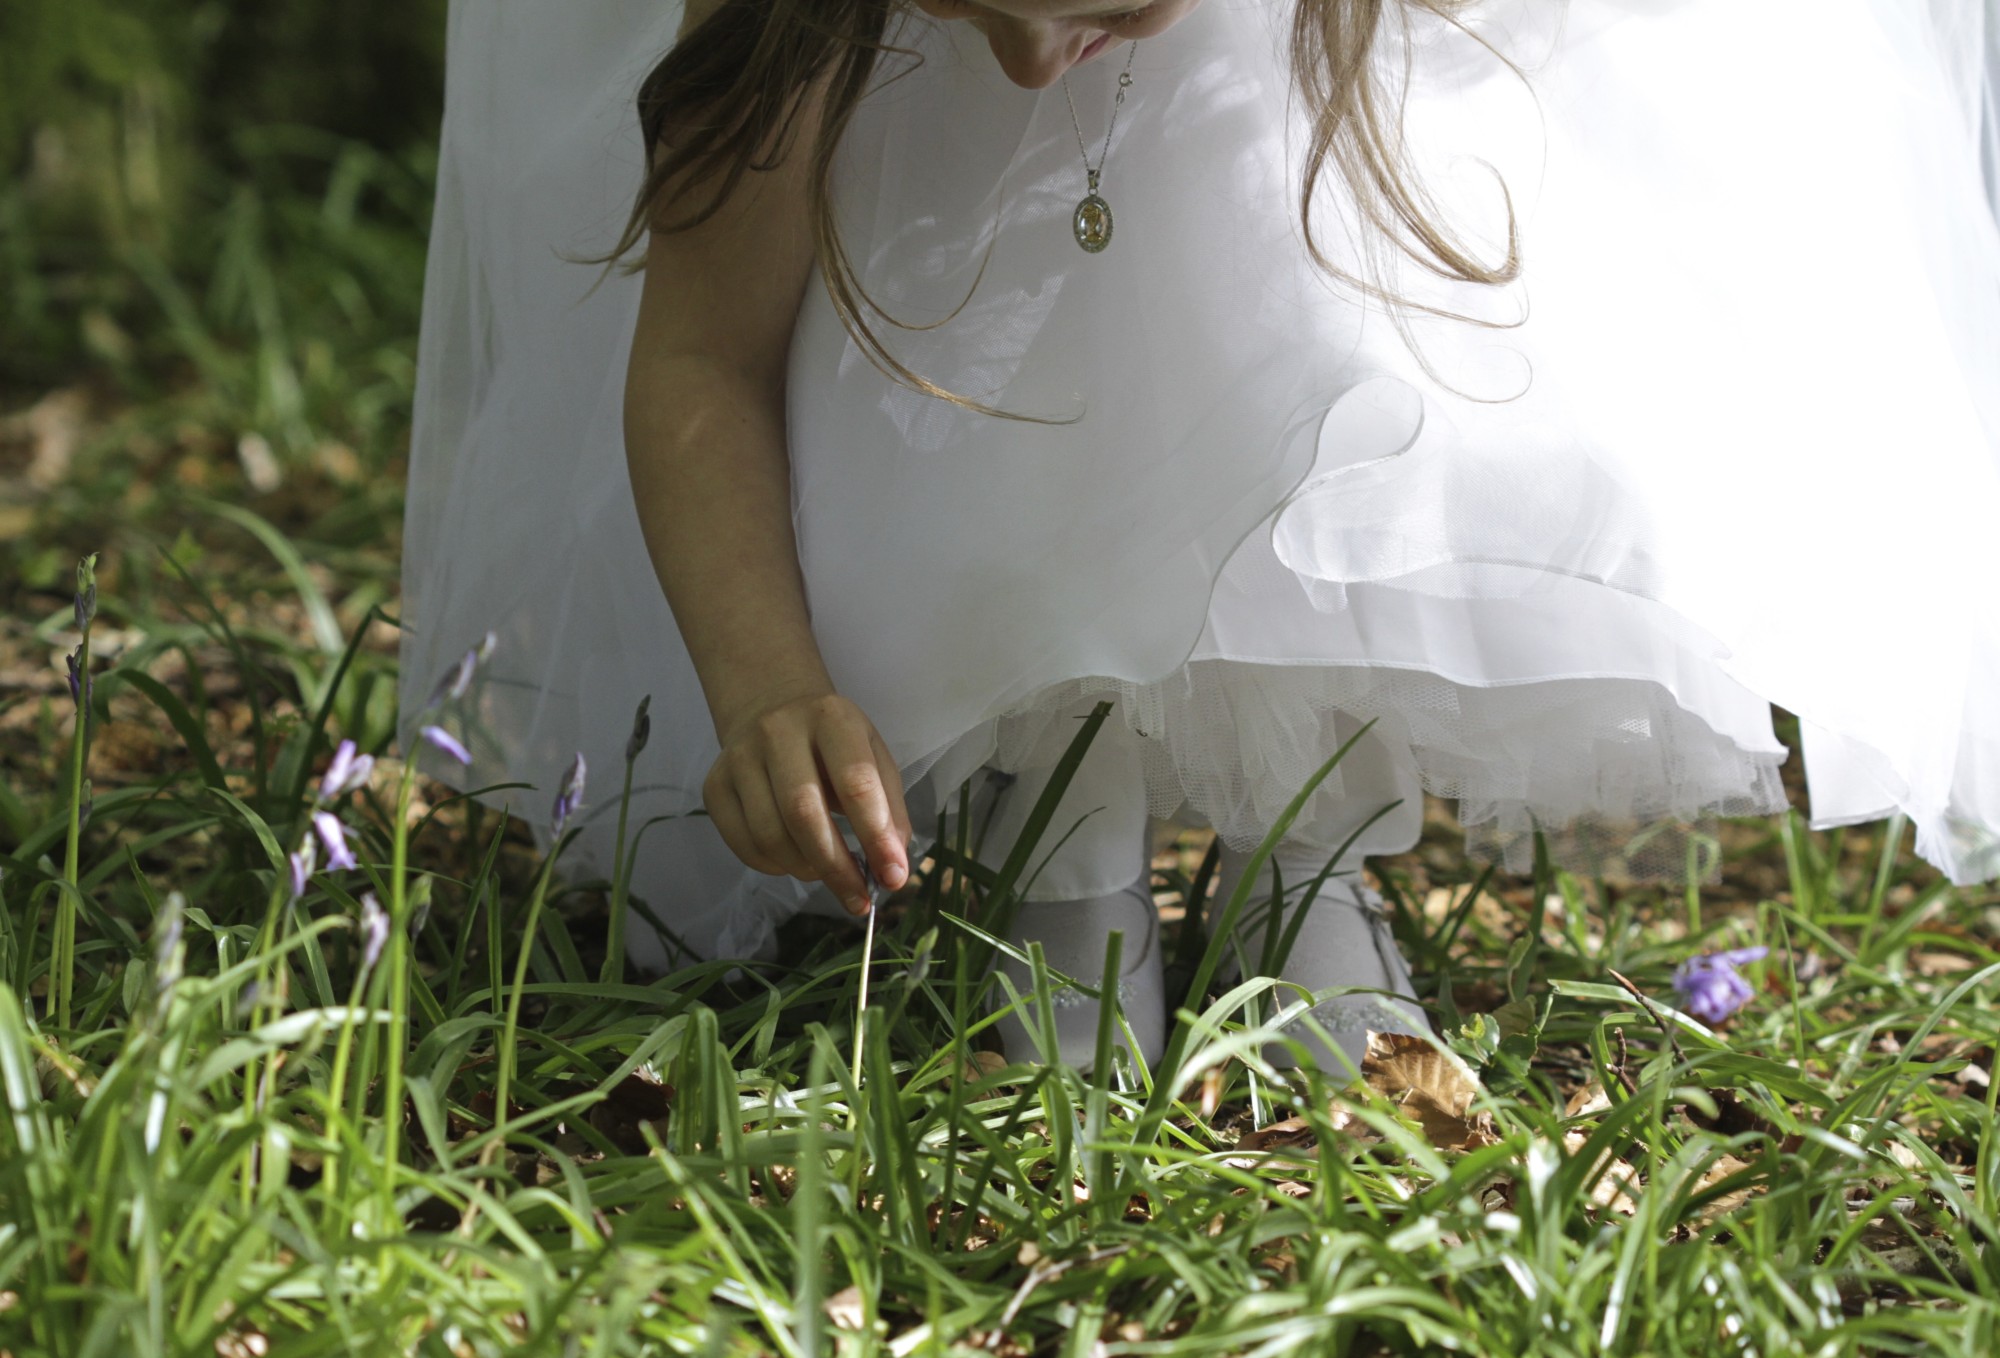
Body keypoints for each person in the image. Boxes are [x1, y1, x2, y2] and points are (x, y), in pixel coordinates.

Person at [400, 0, 2000, 1071]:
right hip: (903, 279)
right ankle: (1063, 863)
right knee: (960, 255)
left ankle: (1310, 855)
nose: (1034, 61)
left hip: (1330, 95)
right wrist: (763, 686)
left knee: (1304, 256)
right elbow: (702, 355)